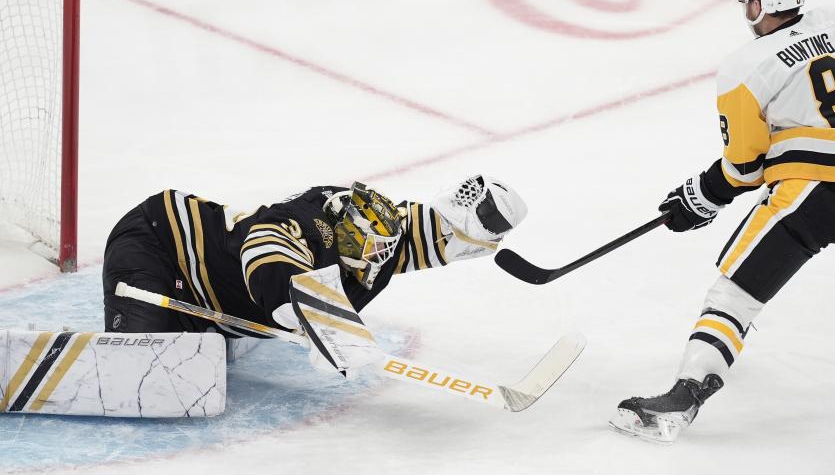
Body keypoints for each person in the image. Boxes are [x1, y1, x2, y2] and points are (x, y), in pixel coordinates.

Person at [609, 0, 835, 444]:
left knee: (734, 291)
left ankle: (687, 392)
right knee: (758, 270)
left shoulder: (744, 66)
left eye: (748, 1)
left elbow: (745, 166)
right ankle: (725, 342)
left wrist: (703, 195)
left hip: (819, 193)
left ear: (758, 4)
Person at [103, 175, 527, 338]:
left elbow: (408, 235)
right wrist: (289, 297)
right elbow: (267, 242)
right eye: (374, 248)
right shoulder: (312, 223)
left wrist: (474, 229)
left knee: (193, 356)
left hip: (204, 293)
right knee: (145, 364)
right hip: (159, 243)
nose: (382, 255)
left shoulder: (374, 242)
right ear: (343, 236)